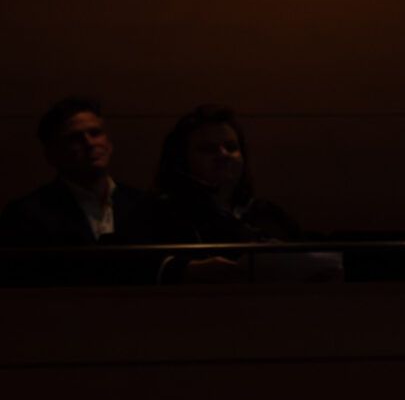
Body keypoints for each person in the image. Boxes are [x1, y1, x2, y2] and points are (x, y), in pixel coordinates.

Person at [153, 104, 338, 283]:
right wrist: (187, 271)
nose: (223, 154)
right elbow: (140, 267)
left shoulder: (267, 212)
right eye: (208, 149)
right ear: (181, 159)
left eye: (231, 147)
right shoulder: (161, 211)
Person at [1, 97, 162, 281]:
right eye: (74, 138)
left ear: (109, 143)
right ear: (52, 154)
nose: (90, 143)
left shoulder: (145, 205)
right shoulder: (27, 214)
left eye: (95, 133)